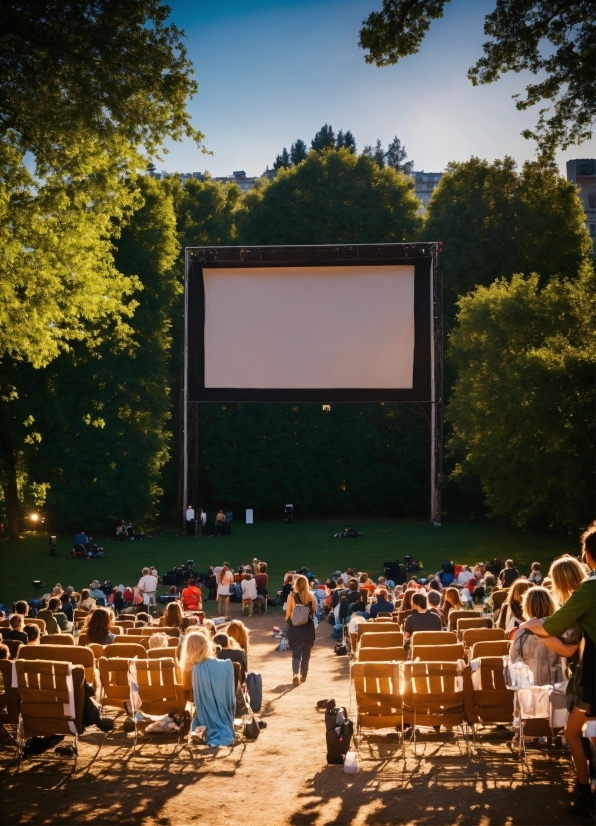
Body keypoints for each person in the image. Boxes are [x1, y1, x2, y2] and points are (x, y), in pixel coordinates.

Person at [519, 525, 596, 817]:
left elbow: (564, 645)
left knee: (573, 731)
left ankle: (583, 789)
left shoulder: (587, 592)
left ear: (588, 556)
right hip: (586, 671)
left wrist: (531, 626)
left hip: (590, 675)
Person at [511, 587, 578, 686]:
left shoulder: (520, 634)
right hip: (559, 687)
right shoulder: (563, 631)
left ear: (526, 607)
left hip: (530, 691)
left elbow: (514, 662)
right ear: (551, 604)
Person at [180, 630, 235, 747]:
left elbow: (188, 695)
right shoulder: (223, 665)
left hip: (200, 708)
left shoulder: (192, 669)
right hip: (222, 707)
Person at [285, 574, 317, 687]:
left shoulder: (291, 596)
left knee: (296, 653)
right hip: (308, 626)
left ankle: (295, 673)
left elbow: (288, 614)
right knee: (306, 652)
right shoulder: (310, 595)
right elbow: (313, 610)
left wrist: (287, 619)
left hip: (295, 626)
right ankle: (304, 675)